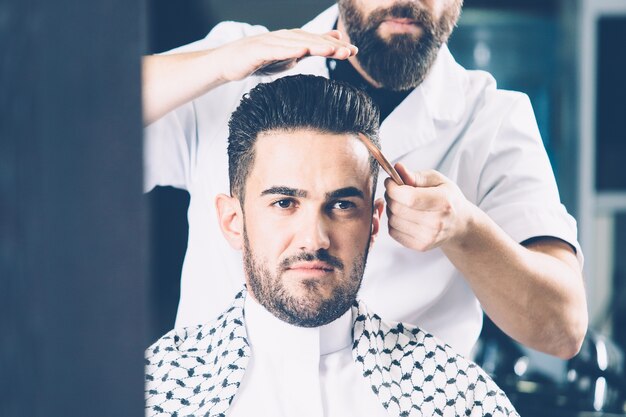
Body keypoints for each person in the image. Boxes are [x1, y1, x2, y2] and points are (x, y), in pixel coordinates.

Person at [142, 0, 587, 358]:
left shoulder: (492, 123)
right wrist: (216, 65)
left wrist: (465, 231)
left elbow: (562, 329)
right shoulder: (228, 68)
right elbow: (79, 122)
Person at [145, 75, 519, 417]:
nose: (314, 239)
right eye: (284, 203)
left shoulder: (454, 391)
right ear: (232, 222)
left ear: (373, 222)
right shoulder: (155, 389)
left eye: (341, 205)